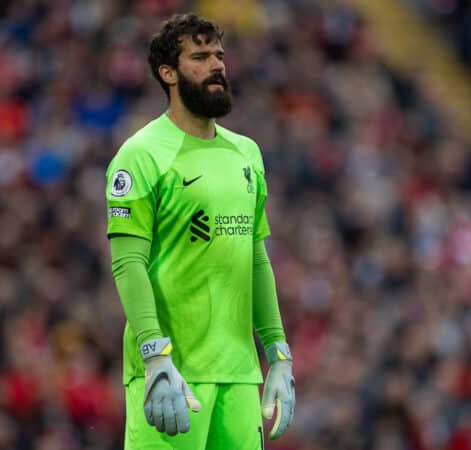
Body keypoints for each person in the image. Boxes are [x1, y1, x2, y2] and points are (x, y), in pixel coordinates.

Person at [105, 13, 295, 450]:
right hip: (173, 376)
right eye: (200, 56)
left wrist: (278, 355)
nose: (217, 66)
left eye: (219, 56)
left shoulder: (246, 153)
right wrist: (154, 356)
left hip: (240, 377)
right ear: (168, 73)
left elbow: (255, 258)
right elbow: (127, 262)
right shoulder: (141, 156)